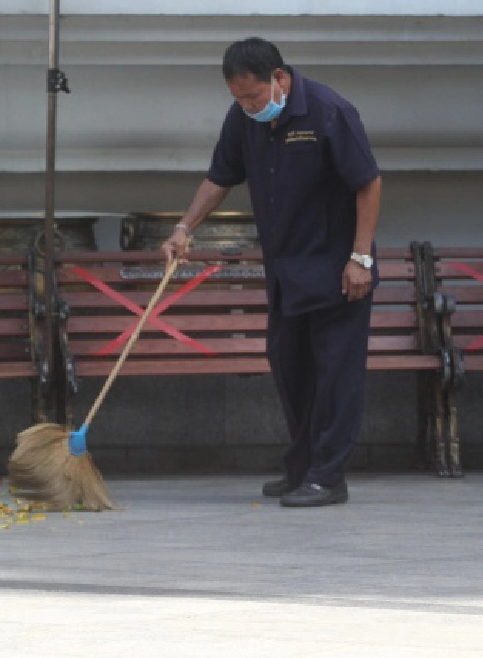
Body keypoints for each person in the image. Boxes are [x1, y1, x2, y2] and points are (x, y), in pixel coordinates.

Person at [161, 37, 382, 507]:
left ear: (279, 78)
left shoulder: (329, 111)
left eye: (253, 96)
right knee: (290, 370)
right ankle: (302, 468)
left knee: (336, 377)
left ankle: (329, 476)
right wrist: (185, 227)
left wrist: (360, 257)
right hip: (286, 272)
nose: (246, 106)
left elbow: (368, 183)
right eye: (237, 98)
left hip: (338, 272)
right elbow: (220, 176)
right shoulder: (243, 118)